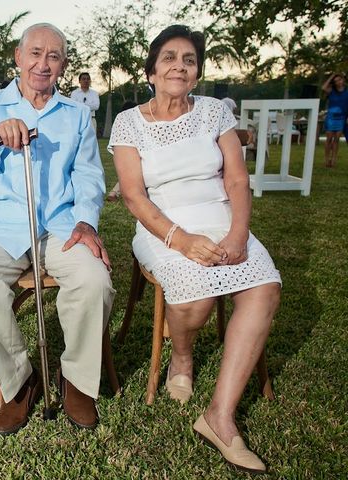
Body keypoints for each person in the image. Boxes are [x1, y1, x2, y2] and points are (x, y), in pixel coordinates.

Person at [109, 25, 281, 474]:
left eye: (188, 59)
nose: (179, 66)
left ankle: (219, 417)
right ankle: (181, 356)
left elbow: (237, 179)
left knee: (264, 288)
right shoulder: (129, 122)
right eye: (169, 57)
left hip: (222, 217)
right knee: (196, 295)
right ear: (151, 70)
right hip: (162, 226)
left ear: (197, 72)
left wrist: (239, 234)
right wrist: (181, 240)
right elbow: (133, 197)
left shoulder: (214, 113)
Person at [0, 23, 114, 435]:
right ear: (18, 57)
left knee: (94, 279)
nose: (43, 64)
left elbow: (89, 178)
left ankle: (75, 378)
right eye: (35, 53)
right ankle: (19, 380)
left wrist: (86, 221)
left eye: (54, 56)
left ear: (63, 65)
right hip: (2, 223)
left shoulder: (77, 115)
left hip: (61, 224)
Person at [321, 72, 348, 167]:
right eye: (336, 81)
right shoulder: (331, 91)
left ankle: (334, 159)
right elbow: (323, 88)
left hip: (341, 118)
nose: (338, 82)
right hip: (331, 118)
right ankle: (326, 159)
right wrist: (332, 76)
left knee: (336, 140)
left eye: (339, 80)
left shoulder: (347, 92)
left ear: (343, 80)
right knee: (329, 139)